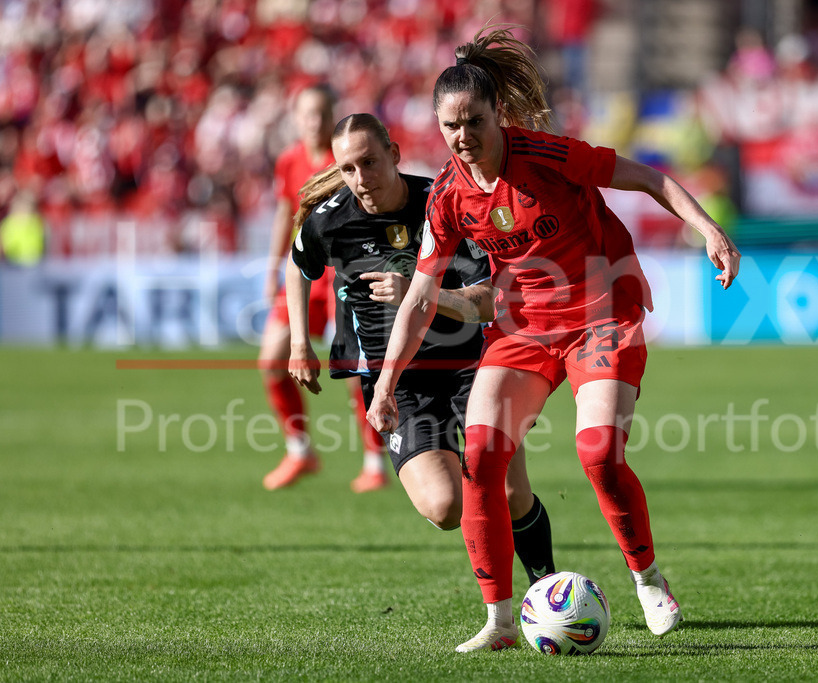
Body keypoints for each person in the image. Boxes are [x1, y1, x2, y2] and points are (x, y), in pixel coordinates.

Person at [366, 27, 741, 653]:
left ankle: (647, 578)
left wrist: (708, 231)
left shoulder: (546, 155)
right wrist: (384, 385)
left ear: (497, 115)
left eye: (474, 121)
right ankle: (500, 621)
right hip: (523, 329)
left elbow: (648, 177)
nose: (463, 137)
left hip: (601, 315)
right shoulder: (448, 198)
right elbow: (420, 297)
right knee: (481, 455)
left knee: (597, 454)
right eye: (450, 126)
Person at [286, 112, 556, 588]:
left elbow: (488, 299)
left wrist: (421, 292)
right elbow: (299, 264)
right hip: (398, 383)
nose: (360, 179)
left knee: (511, 490)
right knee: (446, 506)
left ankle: (546, 589)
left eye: (370, 162)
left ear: (394, 154)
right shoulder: (329, 220)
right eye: (348, 168)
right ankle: (487, 525)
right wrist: (297, 340)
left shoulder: (448, 203)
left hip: (473, 366)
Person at [259, 85, 388, 492]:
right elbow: (285, 213)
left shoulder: (345, 161)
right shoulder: (289, 160)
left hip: (339, 275)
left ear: (332, 114)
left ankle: (374, 462)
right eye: (307, 114)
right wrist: (273, 265)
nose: (314, 121)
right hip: (302, 272)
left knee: (354, 371)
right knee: (272, 361)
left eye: (321, 113)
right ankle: (300, 451)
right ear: (295, 118)